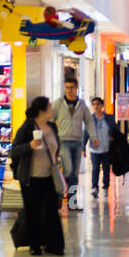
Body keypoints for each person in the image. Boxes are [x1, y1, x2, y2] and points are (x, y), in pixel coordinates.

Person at [9, 96, 65, 255]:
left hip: (49, 176)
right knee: (32, 211)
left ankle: (53, 245)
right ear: (41, 110)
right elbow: (14, 150)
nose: (52, 109)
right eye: (49, 107)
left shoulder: (52, 127)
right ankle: (34, 245)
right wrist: (30, 146)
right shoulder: (27, 127)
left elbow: (56, 148)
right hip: (30, 177)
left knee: (51, 211)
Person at [52, 78, 87, 209]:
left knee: (74, 174)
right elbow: (51, 121)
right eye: (67, 87)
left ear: (76, 87)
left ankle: (72, 202)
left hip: (77, 142)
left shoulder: (81, 104)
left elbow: (88, 121)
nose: (69, 90)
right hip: (63, 142)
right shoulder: (58, 103)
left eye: (72, 87)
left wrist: (93, 136)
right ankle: (60, 199)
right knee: (68, 171)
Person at [83, 96, 118, 197]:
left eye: (98, 104)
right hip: (95, 149)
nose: (96, 106)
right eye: (94, 105)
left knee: (106, 168)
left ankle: (106, 186)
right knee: (95, 168)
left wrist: (113, 138)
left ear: (102, 105)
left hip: (107, 148)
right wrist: (83, 148)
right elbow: (86, 134)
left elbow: (116, 131)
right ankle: (94, 187)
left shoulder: (109, 118)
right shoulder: (90, 120)